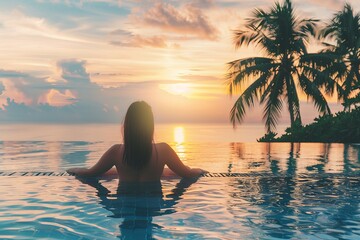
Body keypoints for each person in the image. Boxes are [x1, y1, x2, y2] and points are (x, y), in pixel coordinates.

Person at [67, 101, 207, 181]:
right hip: (154, 205)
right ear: (149, 125)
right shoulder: (163, 151)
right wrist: (199, 170)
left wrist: (75, 170)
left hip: (123, 205)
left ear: (128, 125)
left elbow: (91, 173)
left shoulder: (116, 152)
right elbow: (187, 174)